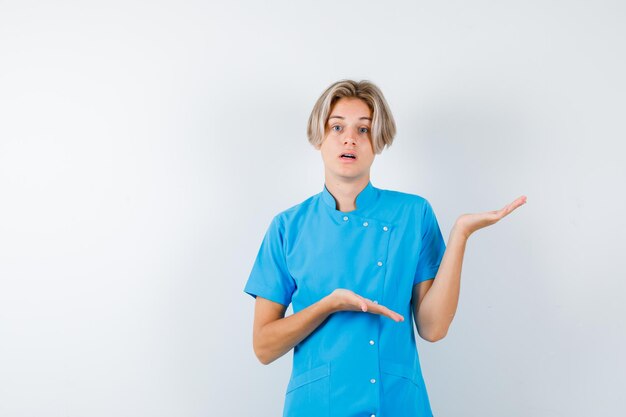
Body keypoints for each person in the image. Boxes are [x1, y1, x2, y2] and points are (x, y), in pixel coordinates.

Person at [243, 79, 527, 417]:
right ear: (319, 136)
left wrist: (460, 235)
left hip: (397, 404)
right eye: (337, 127)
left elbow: (433, 328)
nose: (350, 138)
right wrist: (329, 305)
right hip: (317, 407)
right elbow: (264, 346)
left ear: (378, 141)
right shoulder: (288, 227)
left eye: (364, 130)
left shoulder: (413, 214)